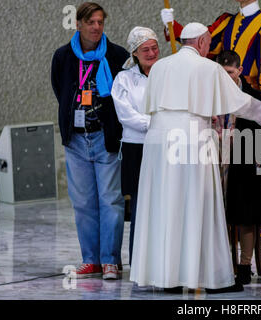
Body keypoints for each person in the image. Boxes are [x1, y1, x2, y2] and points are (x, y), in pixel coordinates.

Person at [129, 22, 261, 293]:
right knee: (203, 204)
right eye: (209, 43)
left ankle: (169, 279)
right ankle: (215, 280)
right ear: (200, 43)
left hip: (158, 141)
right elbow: (238, 101)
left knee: (166, 207)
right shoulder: (208, 67)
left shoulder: (160, 66)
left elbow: (147, 105)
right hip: (191, 138)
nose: (210, 48)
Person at [51, 2, 129, 280]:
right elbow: (61, 91)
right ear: (79, 24)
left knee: (110, 199)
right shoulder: (63, 56)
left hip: (105, 136)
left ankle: (110, 260)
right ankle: (91, 259)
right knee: (83, 202)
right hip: (76, 140)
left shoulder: (117, 54)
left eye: (100, 22)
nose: (96, 27)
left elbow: (125, 95)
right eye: (91, 22)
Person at [215, 50, 261, 284]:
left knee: (245, 212)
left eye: (230, 72)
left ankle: (245, 264)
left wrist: (260, 160)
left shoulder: (253, 97)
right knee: (215, 215)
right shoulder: (211, 96)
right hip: (215, 160)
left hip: (244, 162)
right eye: (222, 73)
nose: (226, 78)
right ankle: (221, 264)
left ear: (239, 71)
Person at [160, 0, 261, 95]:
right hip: (224, 97)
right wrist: (170, 25)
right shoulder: (226, 21)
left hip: (251, 100)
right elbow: (199, 43)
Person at [111, 27, 160, 266]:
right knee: (141, 206)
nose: (151, 53)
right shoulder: (124, 79)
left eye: (154, 48)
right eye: (145, 49)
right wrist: (156, 124)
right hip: (137, 148)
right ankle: (139, 264)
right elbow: (126, 115)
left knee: (163, 203)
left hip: (164, 147)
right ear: (135, 53)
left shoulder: (166, 74)